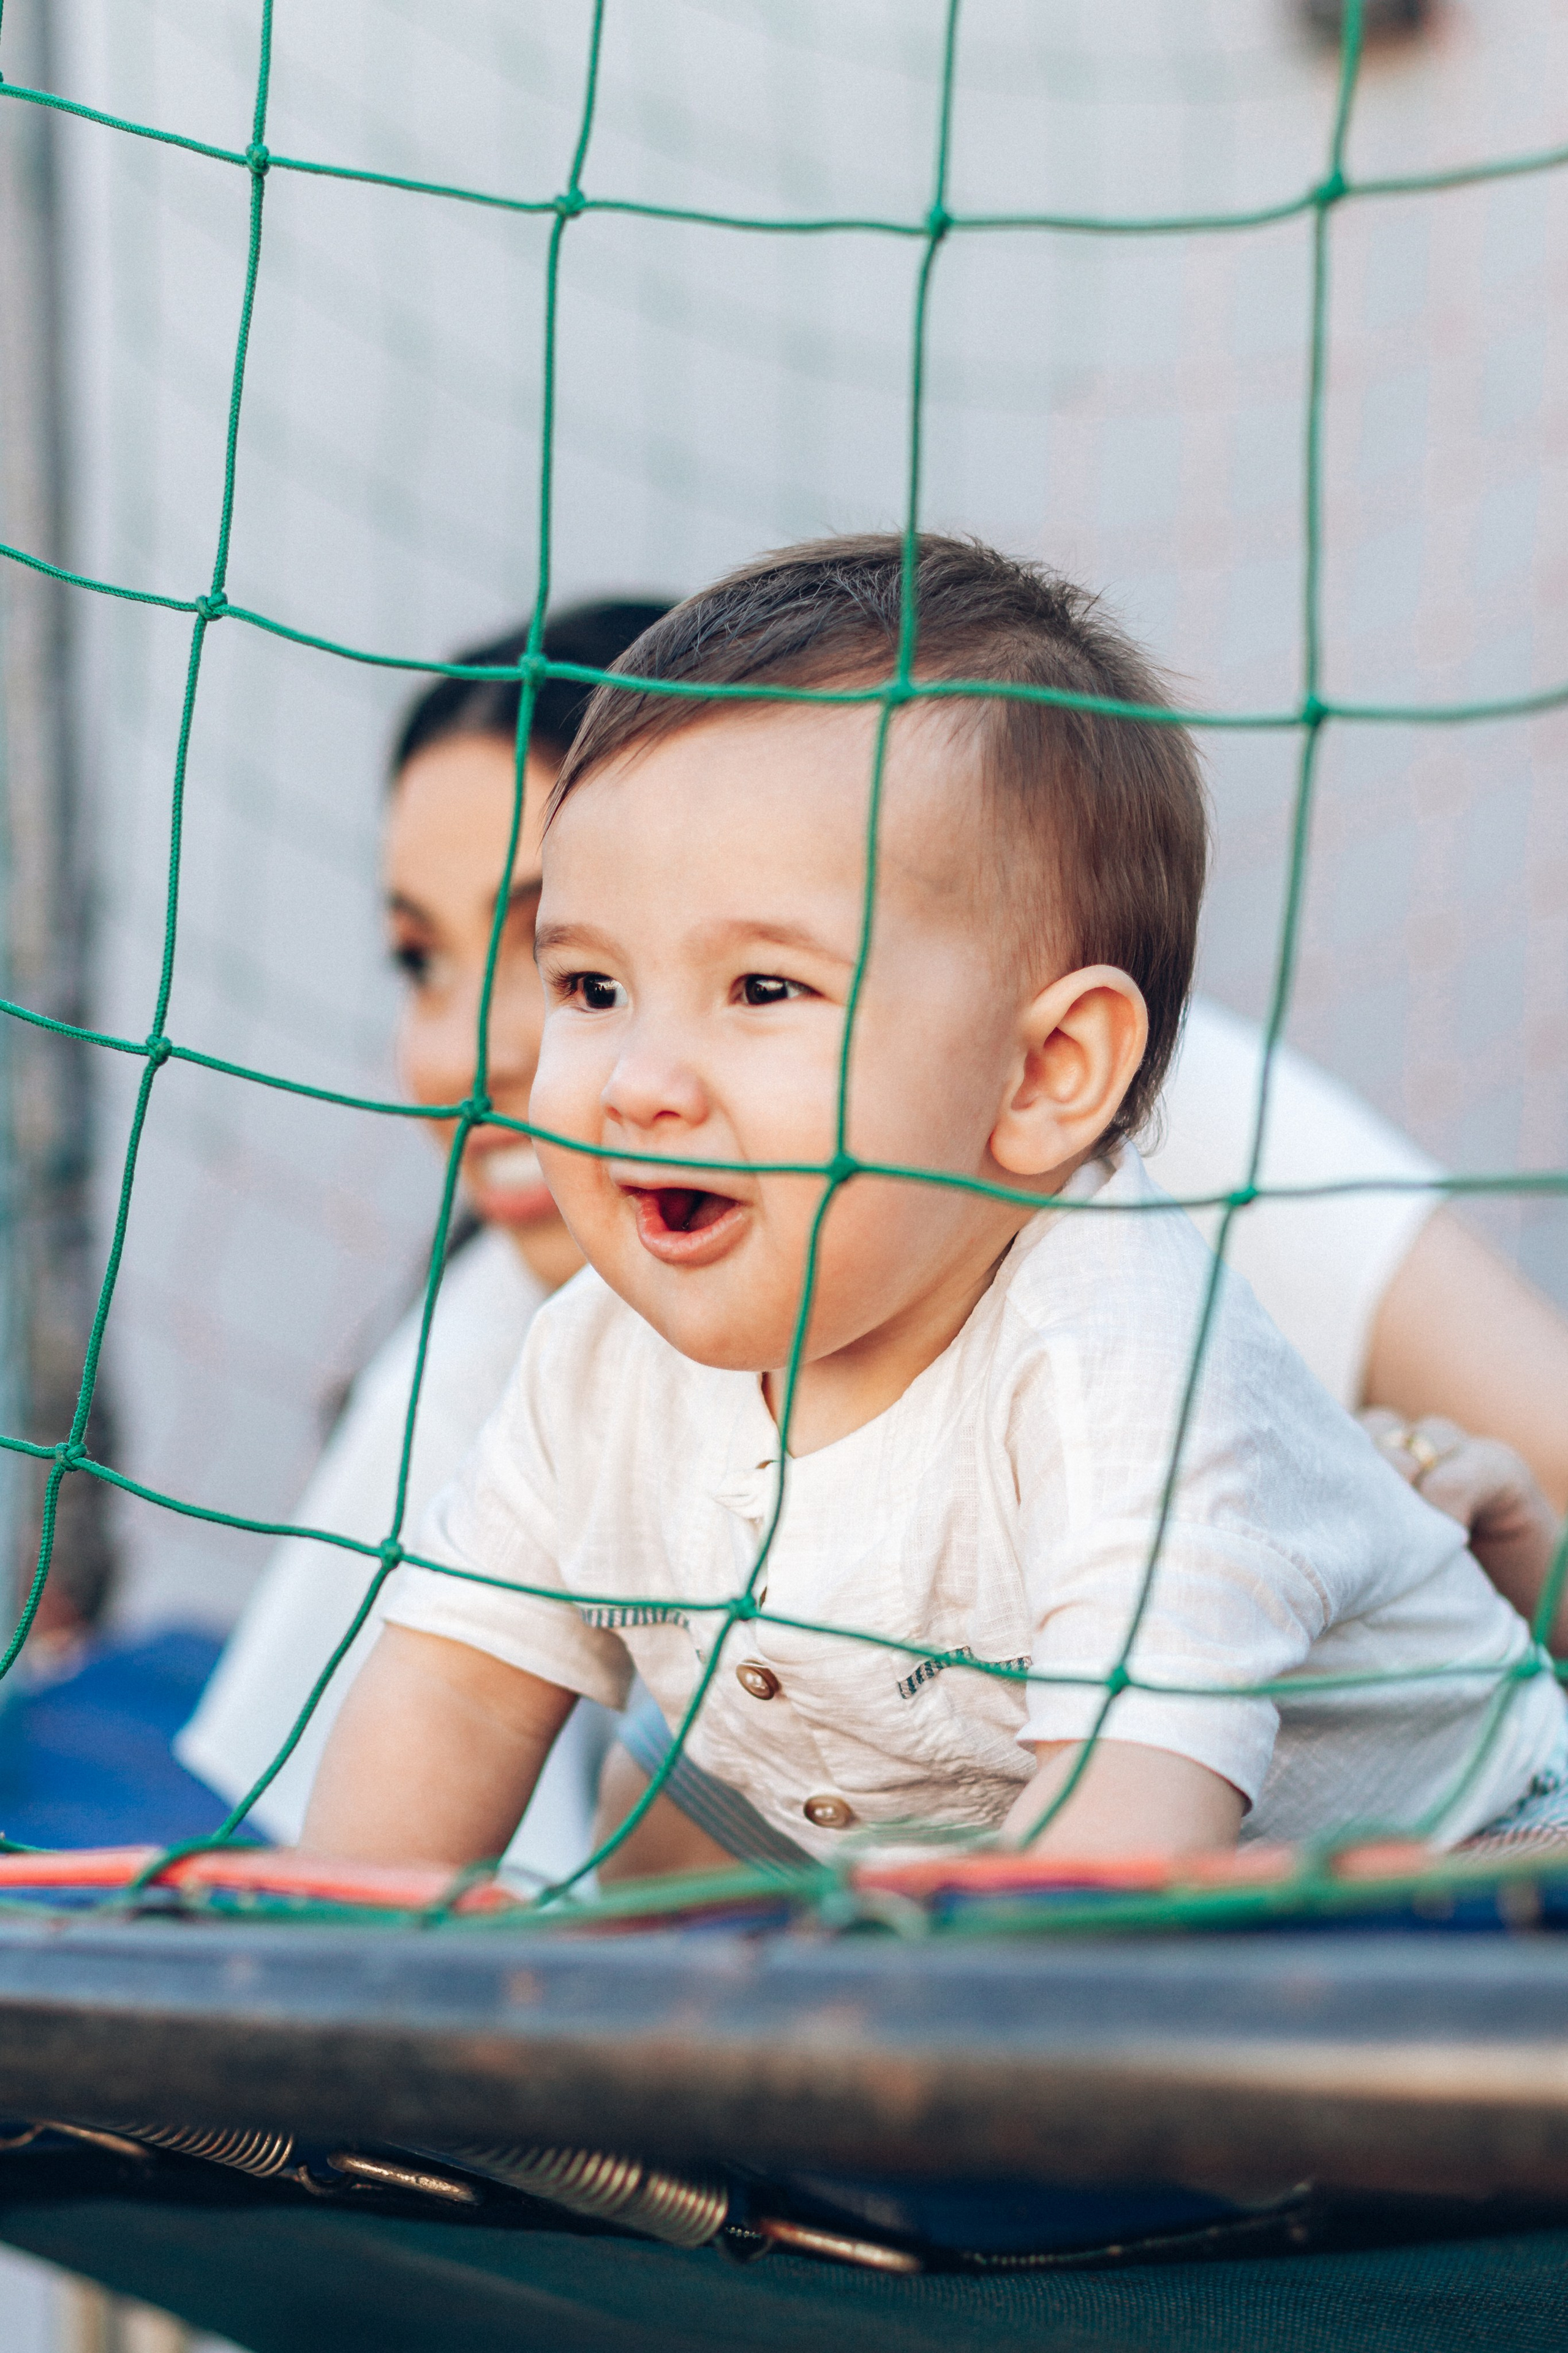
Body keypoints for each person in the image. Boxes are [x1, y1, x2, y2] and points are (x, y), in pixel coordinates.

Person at [295, 534, 1568, 1876]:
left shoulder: (1114, 1359)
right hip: (921, 1833)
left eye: (763, 990)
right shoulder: (586, 1355)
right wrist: (363, 1942)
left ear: (1042, 1072)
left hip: (1460, 1857)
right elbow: (456, 1679)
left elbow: (1120, 1832)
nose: (639, 1084)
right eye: (594, 989)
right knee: (657, 1822)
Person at [176, 601, 670, 1873]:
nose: (454, 1062)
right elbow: (360, 1883)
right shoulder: (506, 1340)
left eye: (566, 959)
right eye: (419, 960)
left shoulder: (1118, 1244)